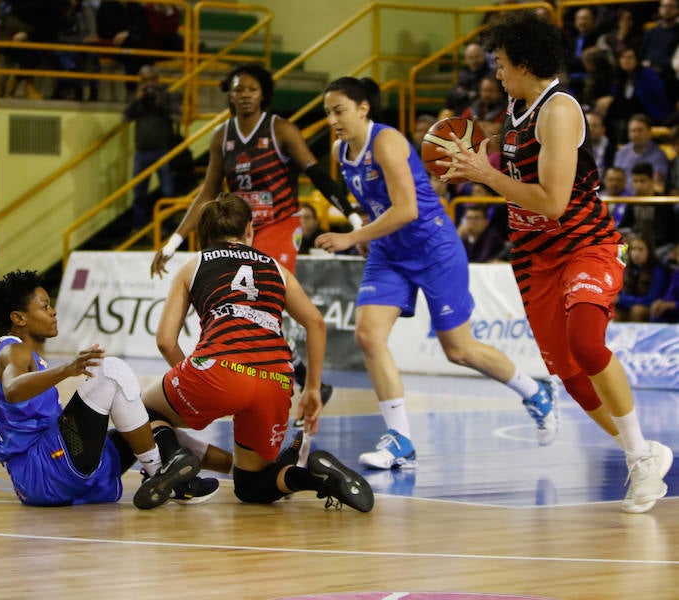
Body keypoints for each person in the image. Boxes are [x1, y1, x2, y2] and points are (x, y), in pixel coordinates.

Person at [437, 10, 672, 513]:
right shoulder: (514, 109)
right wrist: (468, 163)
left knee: (586, 343)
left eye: (500, 63)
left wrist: (486, 173)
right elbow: (510, 167)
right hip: (534, 257)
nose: (495, 73)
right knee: (566, 373)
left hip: (585, 245)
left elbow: (551, 202)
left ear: (524, 62)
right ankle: (643, 452)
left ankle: (640, 462)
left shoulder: (558, 109)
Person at [316, 76, 558, 471]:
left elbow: (408, 208)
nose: (332, 119)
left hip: (433, 248)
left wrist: (353, 236)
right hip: (389, 252)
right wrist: (366, 234)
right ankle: (401, 440)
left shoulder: (387, 142)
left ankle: (535, 390)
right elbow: (377, 204)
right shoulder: (340, 150)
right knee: (367, 335)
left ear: (363, 109)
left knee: (459, 350)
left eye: (339, 110)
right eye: (328, 112)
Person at [141, 193, 374, 512]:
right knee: (251, 485)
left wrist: (195, 377)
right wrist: (313, 389)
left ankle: (175, 456)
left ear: (203, 234)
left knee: (142, 410)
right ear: (250, 230)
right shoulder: (277, 268)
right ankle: (315, 477)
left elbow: (166, 341)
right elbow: (315, 324)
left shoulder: (193, 265)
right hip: (275, 378)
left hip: (217, 368)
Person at [150, 63, 361, 409]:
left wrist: (353, 218)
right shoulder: (223, 136)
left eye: (251, 89)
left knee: (261, 302)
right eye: (237, 89)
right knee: (243, 310)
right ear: (229, 95)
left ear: (263, 92)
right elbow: (207, 193)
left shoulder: (281, 130)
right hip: (237, 232)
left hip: (279, 224)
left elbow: (318, 173)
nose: (244, 95)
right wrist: (172, 243)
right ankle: (302, 377)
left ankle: (280, 377)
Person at [0, 269, 216, 509]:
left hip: (44, 473)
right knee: (111, 372)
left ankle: (196, 478)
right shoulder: (13, 351)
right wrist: (67, 369)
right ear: (19, 318)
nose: (53, 312)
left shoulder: (23, 354)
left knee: (149, 420)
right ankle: (158, 472)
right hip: (44, 468)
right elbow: (12, 389)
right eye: (44, 307)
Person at [123, 65, 180, 230]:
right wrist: (136, 100)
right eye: (144, 80)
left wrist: (159, 103)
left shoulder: (166, 96)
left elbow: (177, 117)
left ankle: (167, 226)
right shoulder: (138, 99)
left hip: (163, 150)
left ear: (157, 80)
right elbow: (124, 118)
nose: (148, 84)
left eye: (151, 79)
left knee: (167, 191)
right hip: (141, 151)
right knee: (139, 192)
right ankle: (138, 225)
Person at [615, 233, 669, 322]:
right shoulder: (627, 268)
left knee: (637, 310)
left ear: (649, 251)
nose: (636, 253)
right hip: (630, 305)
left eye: (641, 249)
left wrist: (621, 300)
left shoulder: (658, 270)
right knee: (616, 312)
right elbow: (620, 292)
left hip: (651, 308)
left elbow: (651, 299)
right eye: (633, 249)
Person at [612, 113, 670, 194]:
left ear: (649, 132)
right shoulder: (621, 153)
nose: (636, 134)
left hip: (645, 198)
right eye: (633, 130)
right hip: (621, 196)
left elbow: (658, 186)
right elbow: (614, 178)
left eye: (640, 130)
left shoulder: (659, 156)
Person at [445, 42, 492, 115]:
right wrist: (467, 94)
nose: (474, 60)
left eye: (477, 56)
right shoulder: (463, 74)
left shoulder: (491, 74)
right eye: (471, 57)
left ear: (484, 56)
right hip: (459, 116)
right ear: (466, 60)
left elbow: (482, 99)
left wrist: (462, 93)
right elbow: (450, 98)